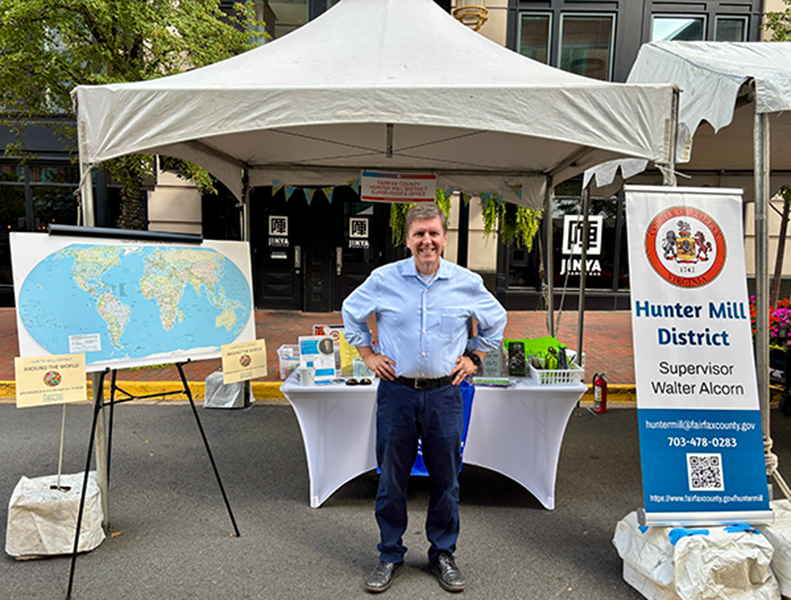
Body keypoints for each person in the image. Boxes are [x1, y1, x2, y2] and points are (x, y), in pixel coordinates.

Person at [342, 203, 507, 594]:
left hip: (445, 394)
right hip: (397, 393)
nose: (426, 241)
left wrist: (474, 357)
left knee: (447, 480)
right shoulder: (383, 279)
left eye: (433, 233)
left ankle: (443, 554)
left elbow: (496, 320)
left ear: (444, 238)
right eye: (419, 234)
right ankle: (389, 554)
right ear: (408, 239)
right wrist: (367, 354)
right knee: (391, 479)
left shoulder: (466, 282)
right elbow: (351, 313)